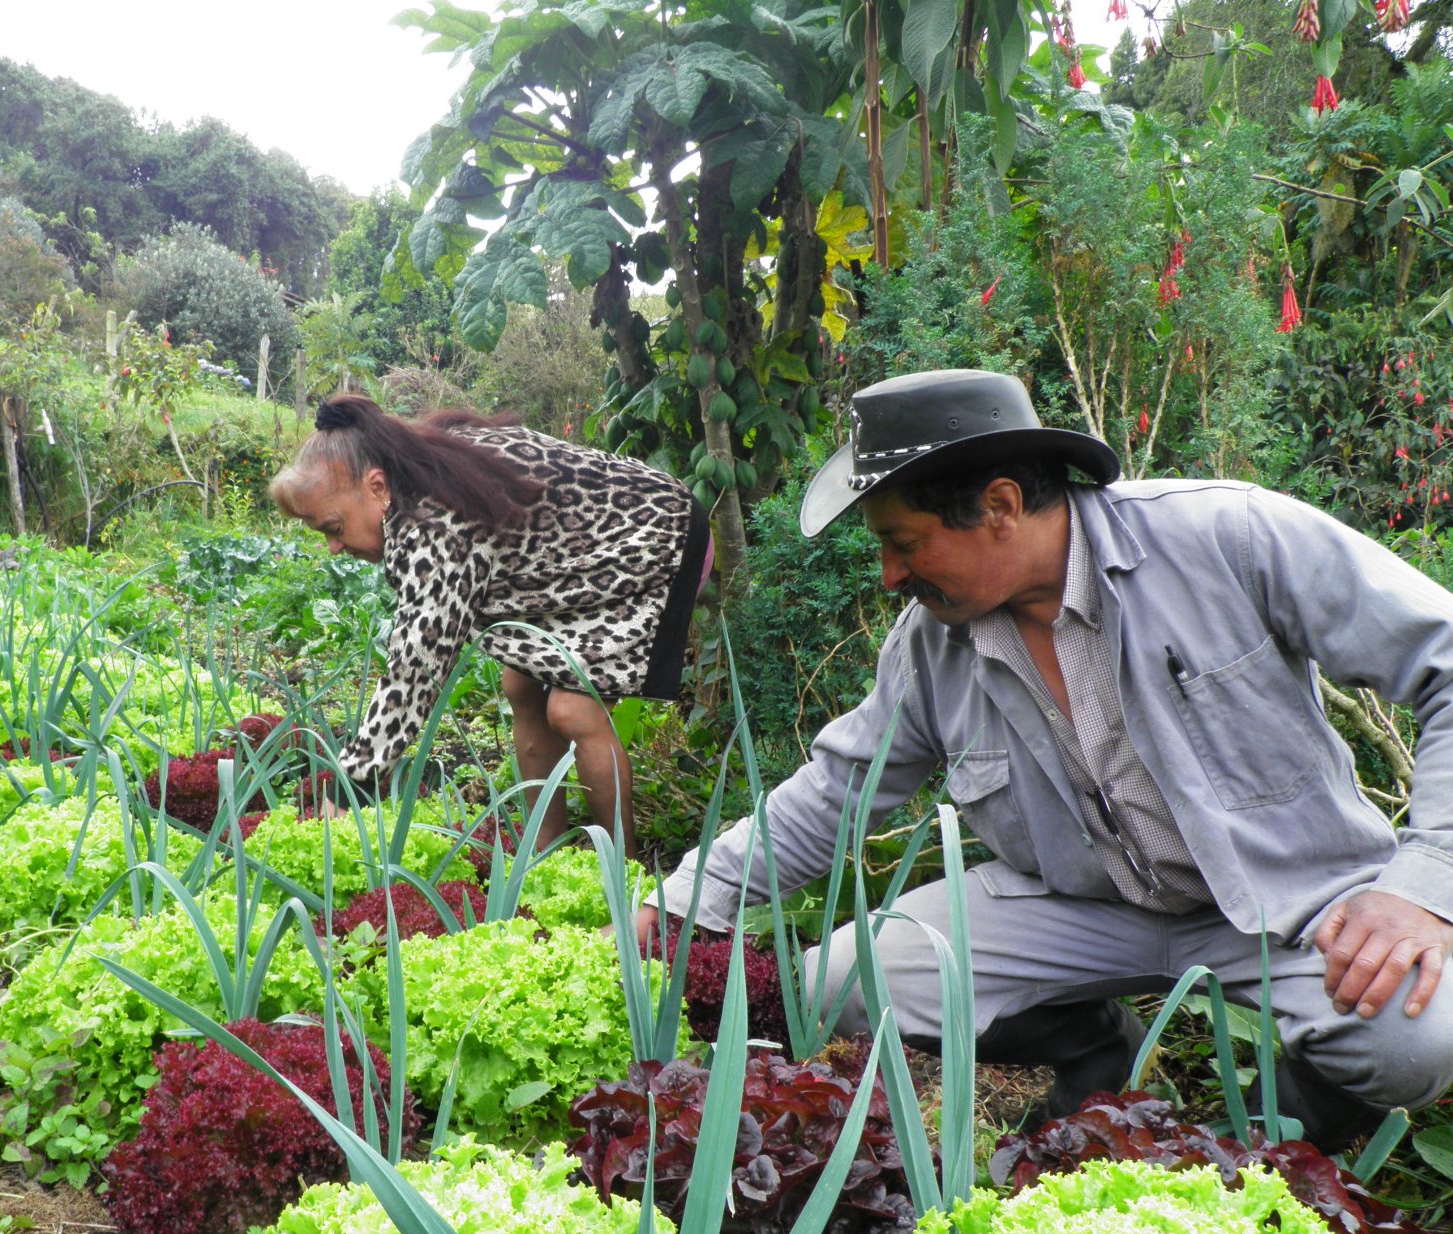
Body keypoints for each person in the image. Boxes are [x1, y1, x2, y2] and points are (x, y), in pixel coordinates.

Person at [632, 367, 1453, 1150]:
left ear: (1000, 505)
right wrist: (678, 906)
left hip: (1287, 898)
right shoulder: (931, 647)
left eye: (904, 542)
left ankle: (1259, 1149)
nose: (888, 575)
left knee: (1416, 1037)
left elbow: (1445, 660)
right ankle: (1098, 1059)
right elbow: (837, 790)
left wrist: (1422, 887)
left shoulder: (1226, 537)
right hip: (1083, 910)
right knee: (836, 984)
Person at [270, 394, 713, 859]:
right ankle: (545, 854)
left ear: (377, 486)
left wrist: (352, 786)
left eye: (333, 528)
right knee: (519, 687)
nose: (333, 548)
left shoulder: (432, 520)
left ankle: (621, 869)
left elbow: (416, 665)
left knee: (573, 711)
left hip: (656, 536)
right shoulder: (418, 467)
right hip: (575, 563)